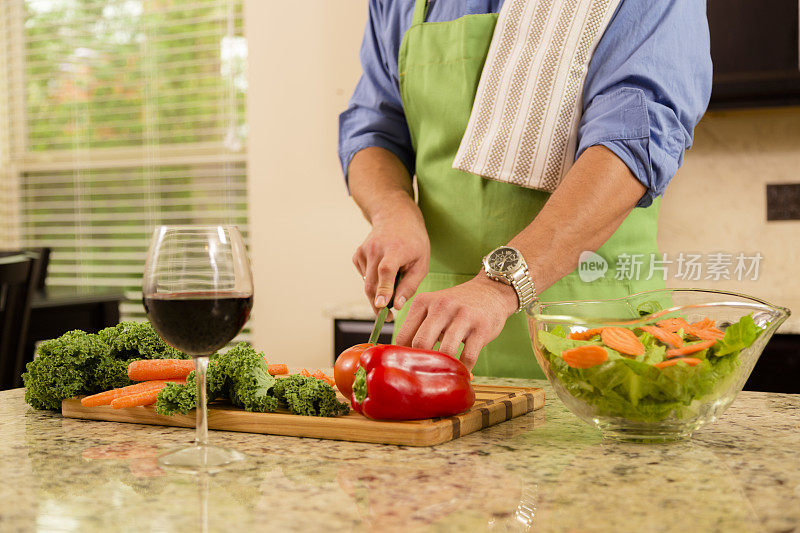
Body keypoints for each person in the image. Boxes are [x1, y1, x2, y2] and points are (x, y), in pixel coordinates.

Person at [338, 0, 712, 378]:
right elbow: (373, 128)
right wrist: (392, 210)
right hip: (437, 342)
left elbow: (633, 139)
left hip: (595, 338)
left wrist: (499, 286)